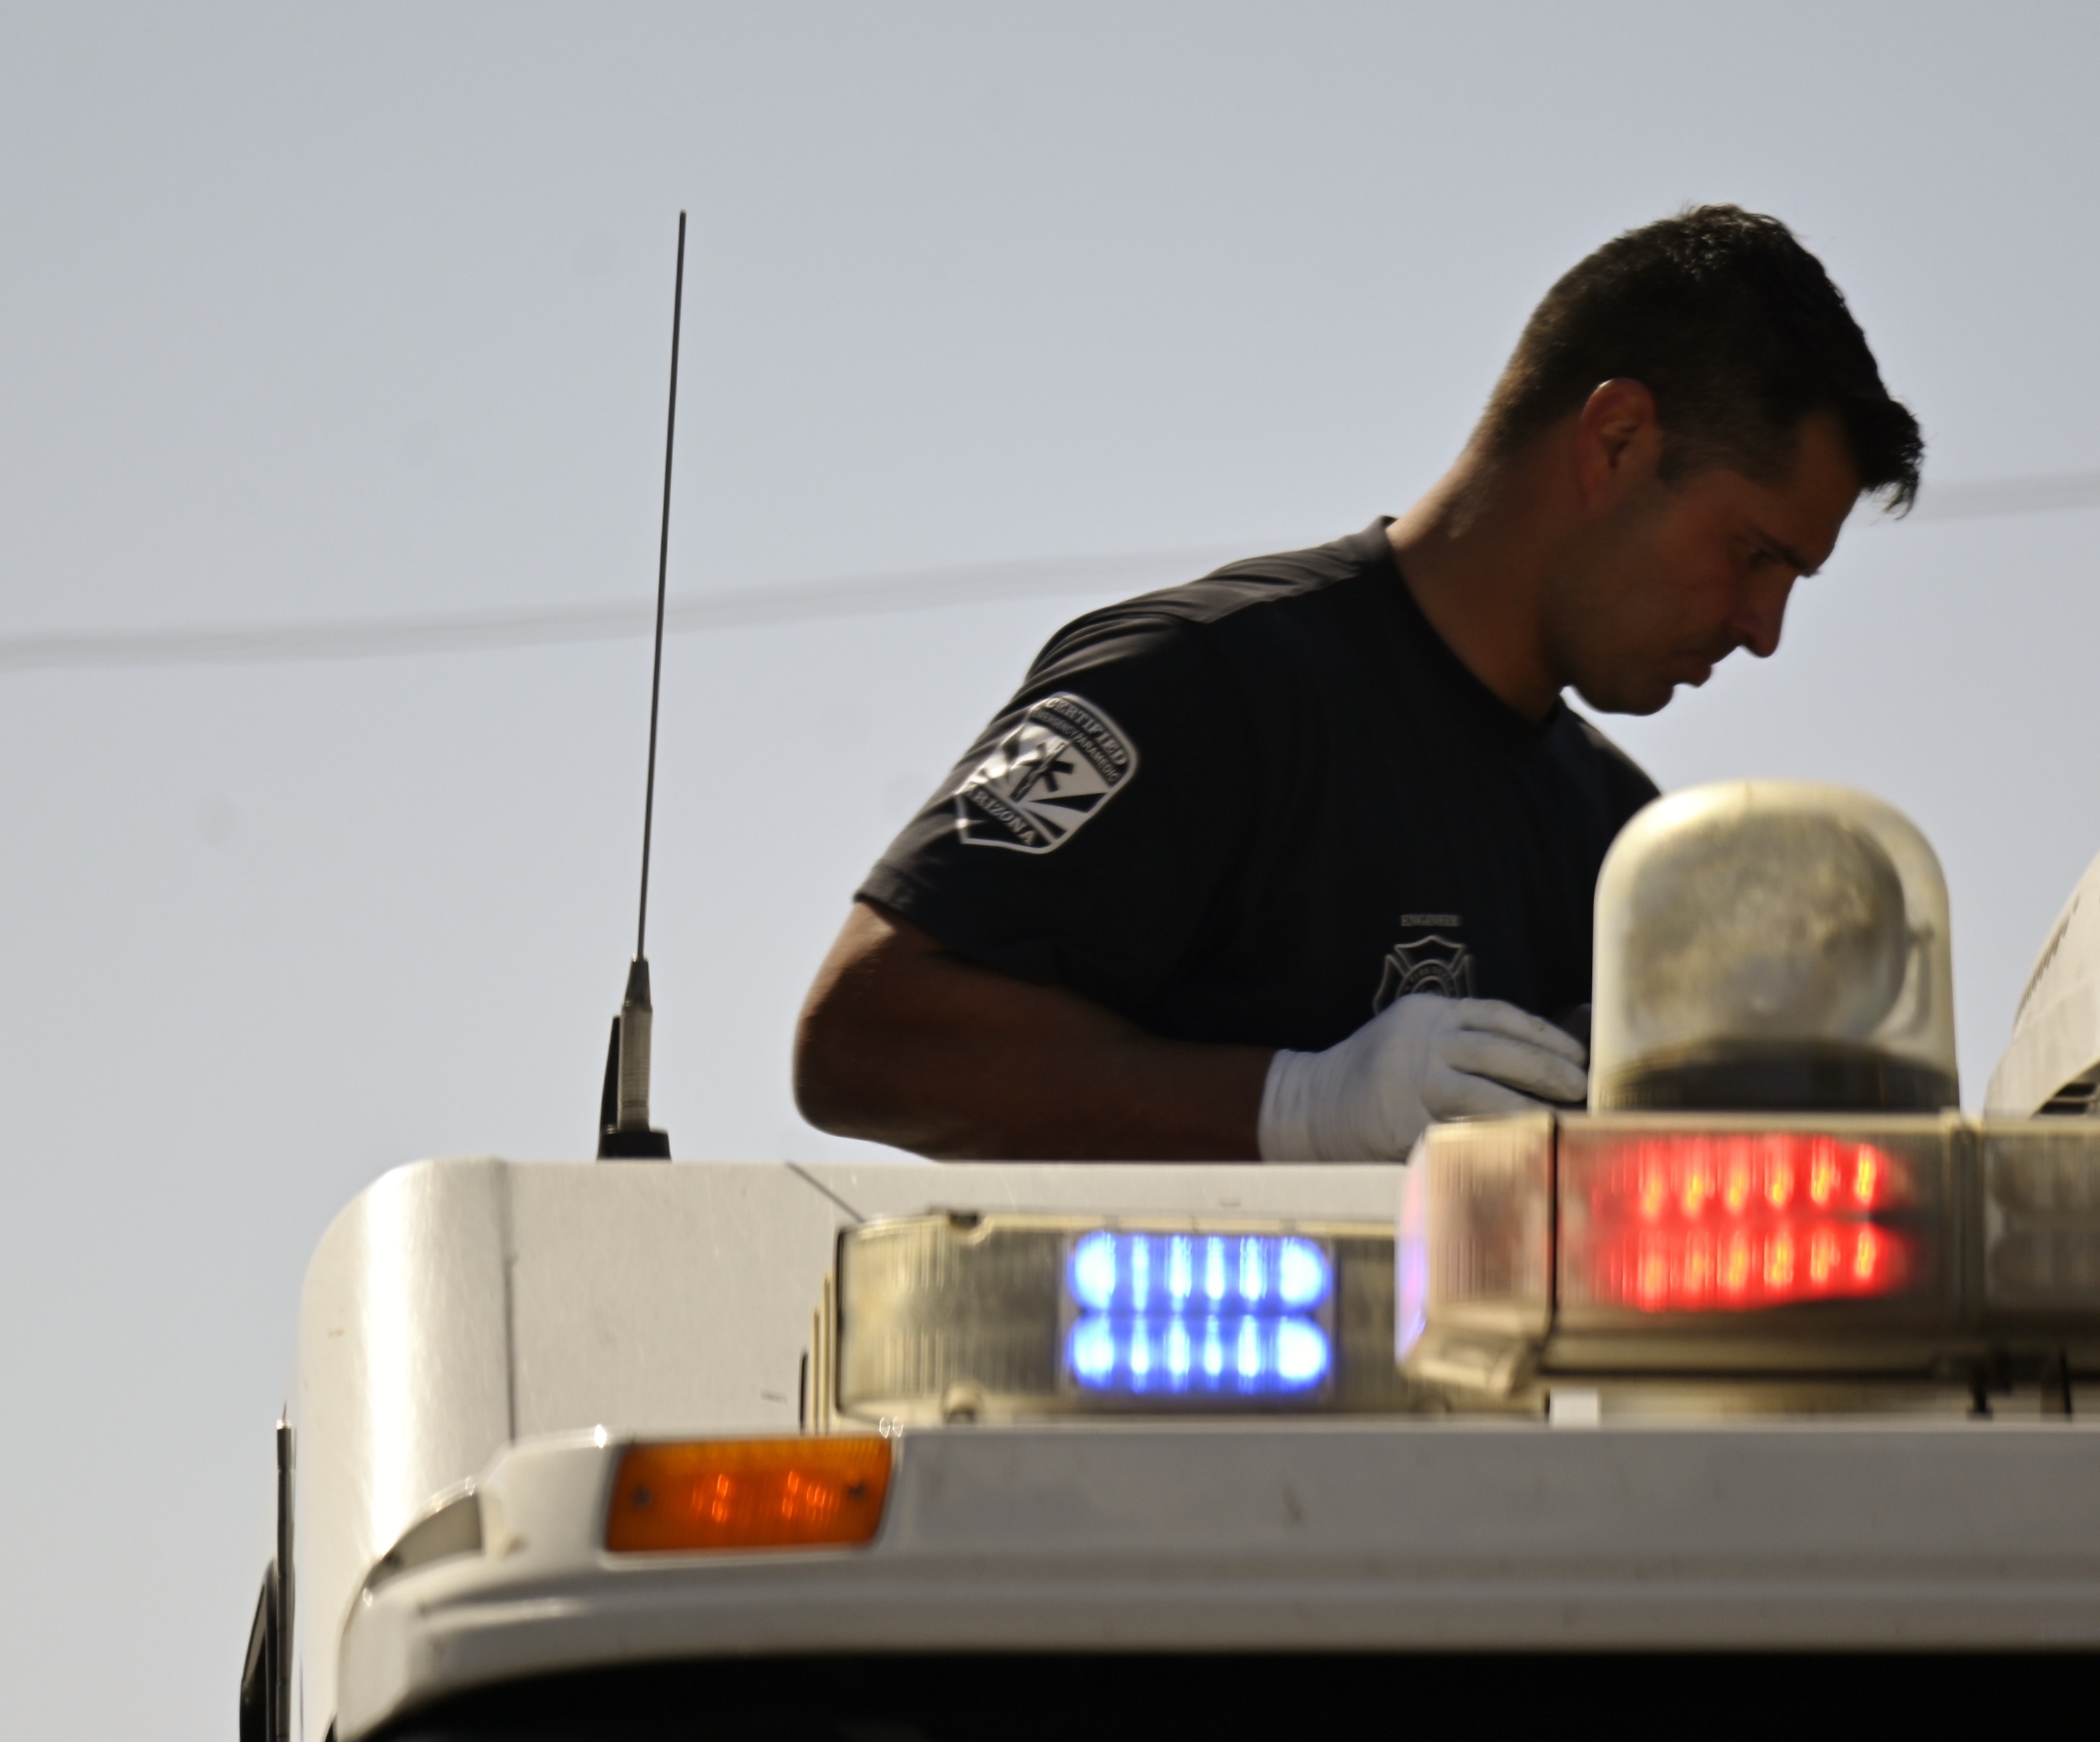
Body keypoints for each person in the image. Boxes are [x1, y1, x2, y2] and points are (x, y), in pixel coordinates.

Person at [795, 205, 1922, 1162]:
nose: (1764, 630)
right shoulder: (1203, 686)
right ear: (1616, 440)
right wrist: (1292, 1106)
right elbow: (862, 1036)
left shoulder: (1623, 845)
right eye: (1755, 554)